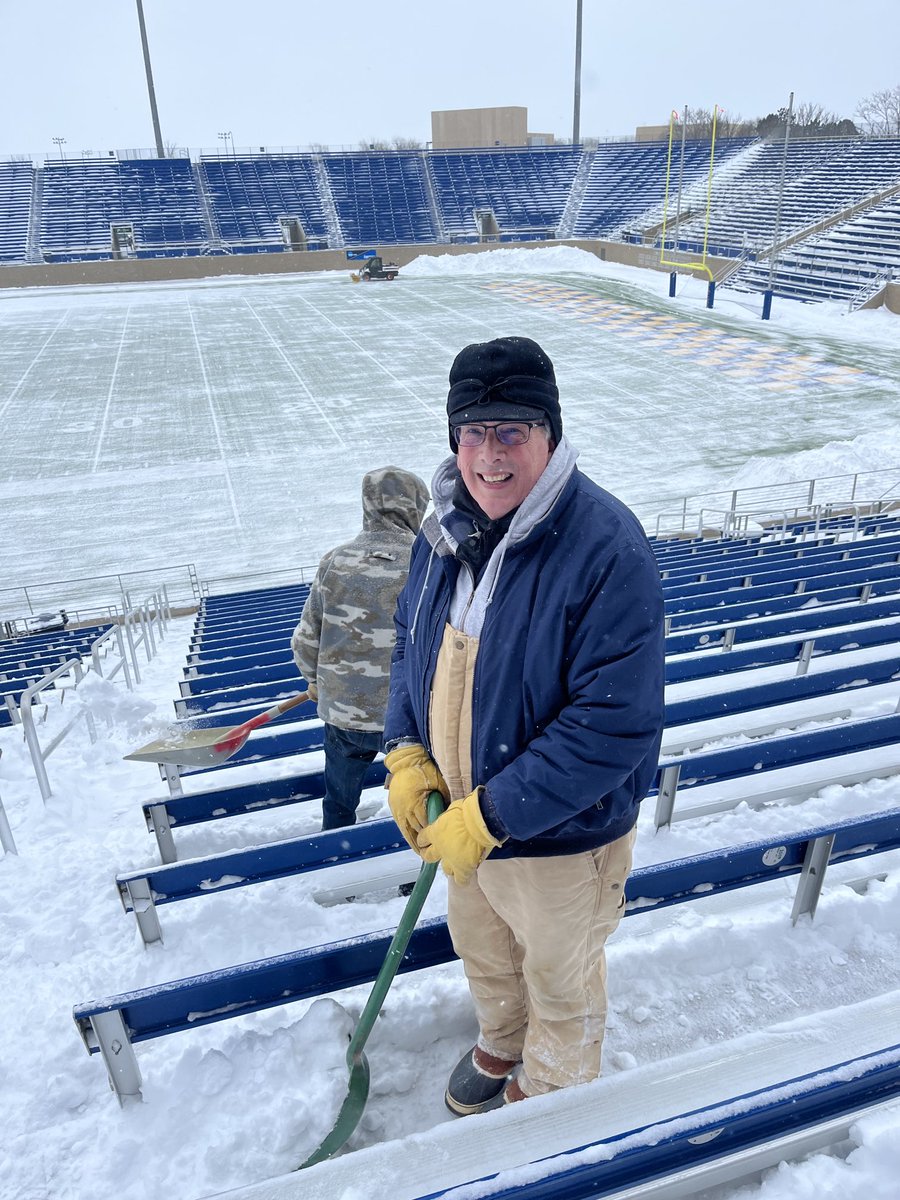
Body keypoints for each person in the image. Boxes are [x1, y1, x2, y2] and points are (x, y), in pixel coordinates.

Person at [382, 336, 665, 1114]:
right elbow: (411, 647)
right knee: (486, 950)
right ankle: (505, 1038)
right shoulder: (440, 532)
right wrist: (406, 750)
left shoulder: (606, 545)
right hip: (461, 818)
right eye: (473, 432)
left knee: (559, 974)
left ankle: (551, 1096)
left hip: (559, 836)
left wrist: (495, 814)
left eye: (513, 431)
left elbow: (615, 724)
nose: (490, 456)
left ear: (550, 433)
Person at [292, 466, 429, 831]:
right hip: (408, 717)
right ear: (415, 506)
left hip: (343, 713)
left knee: (338, 799)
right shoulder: (427, 562)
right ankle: (410, 852)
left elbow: (306, 639)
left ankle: (338, 849)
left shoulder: (335, 561)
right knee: (414, 795)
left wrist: (314, 681)